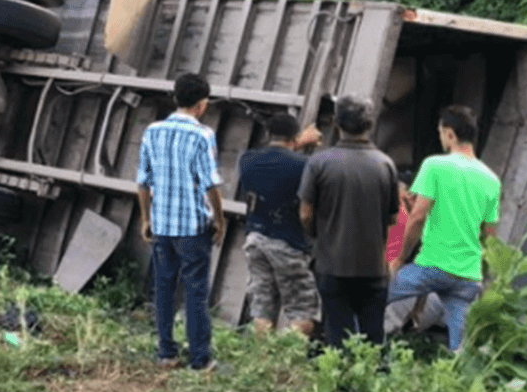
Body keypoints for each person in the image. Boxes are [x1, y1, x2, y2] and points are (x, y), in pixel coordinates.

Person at [387, 105, 500, 352]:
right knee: (459, 346)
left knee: (375, 297)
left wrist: (399, 259)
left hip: (433, 267)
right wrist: (486, 277)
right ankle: (456, 383)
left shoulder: (435, 165)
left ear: (449, 134)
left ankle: (362, 358)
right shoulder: (491, 179)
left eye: (440, 132)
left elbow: (417, 217)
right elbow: (490, 237)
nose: (440, 138)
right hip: (468, 276)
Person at [136, 72, 225, 371]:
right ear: (201, 105)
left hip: (161, 226)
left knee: (163, 289)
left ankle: (166, 353)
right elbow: (210, 185)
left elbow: (143, 181)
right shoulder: (202, 135)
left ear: (175, 98)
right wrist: (220, 220)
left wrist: (145, 219)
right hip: (193, 229)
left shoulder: (152, 131)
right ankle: (199, 360)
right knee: (195, 292)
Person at [298, 95, 399, 350]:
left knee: (337, 334)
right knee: (373, 338)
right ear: (370, 124)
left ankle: (339, 386)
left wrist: (317, 236)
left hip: (332, 264)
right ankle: (370, 385)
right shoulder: (386, 165)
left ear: (335, 123)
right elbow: (393, 219)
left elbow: (305, 214)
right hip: (373, 268)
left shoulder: (319, 163)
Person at [235, 114, 322, 337]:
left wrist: (298, 142)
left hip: (255, 240)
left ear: (267, 133)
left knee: (262, 310)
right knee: (303, 312)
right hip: (288, 243)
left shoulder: (247, 159)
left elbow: (276, 165)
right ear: (295, 136)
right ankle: (284, 357)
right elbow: (305, 212)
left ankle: (264, 362)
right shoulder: (305, 165)